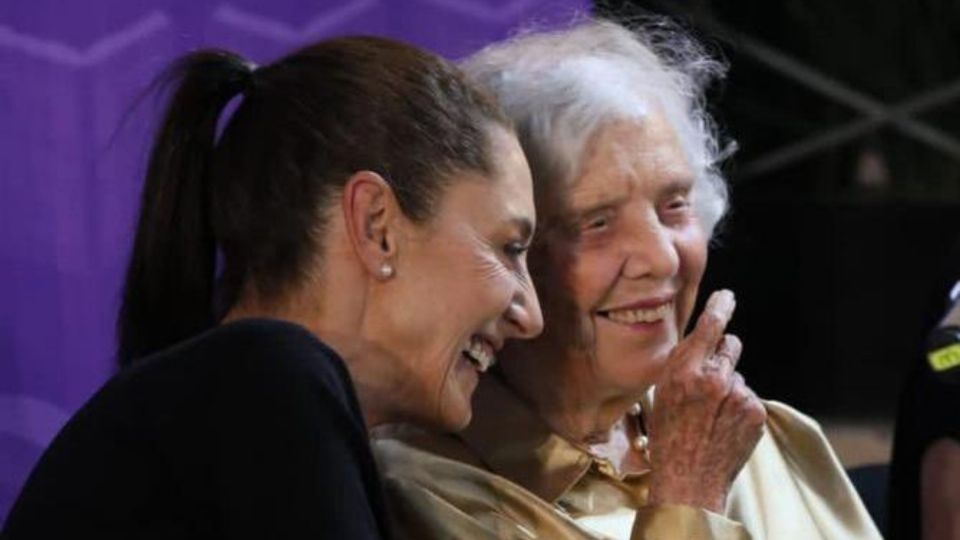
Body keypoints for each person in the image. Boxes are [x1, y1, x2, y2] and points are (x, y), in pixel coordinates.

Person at [2, 36, 542, 539]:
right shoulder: (269, 378)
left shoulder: (241, 399)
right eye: (509, 249)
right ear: (377, 225)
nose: (531, 316)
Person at [373, 19, 882, 539]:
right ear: (505, 257)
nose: (661, 259)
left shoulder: (768, 437)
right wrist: (689, 497)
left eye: (674, 206)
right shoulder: (415, 489)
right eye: (596, 222)